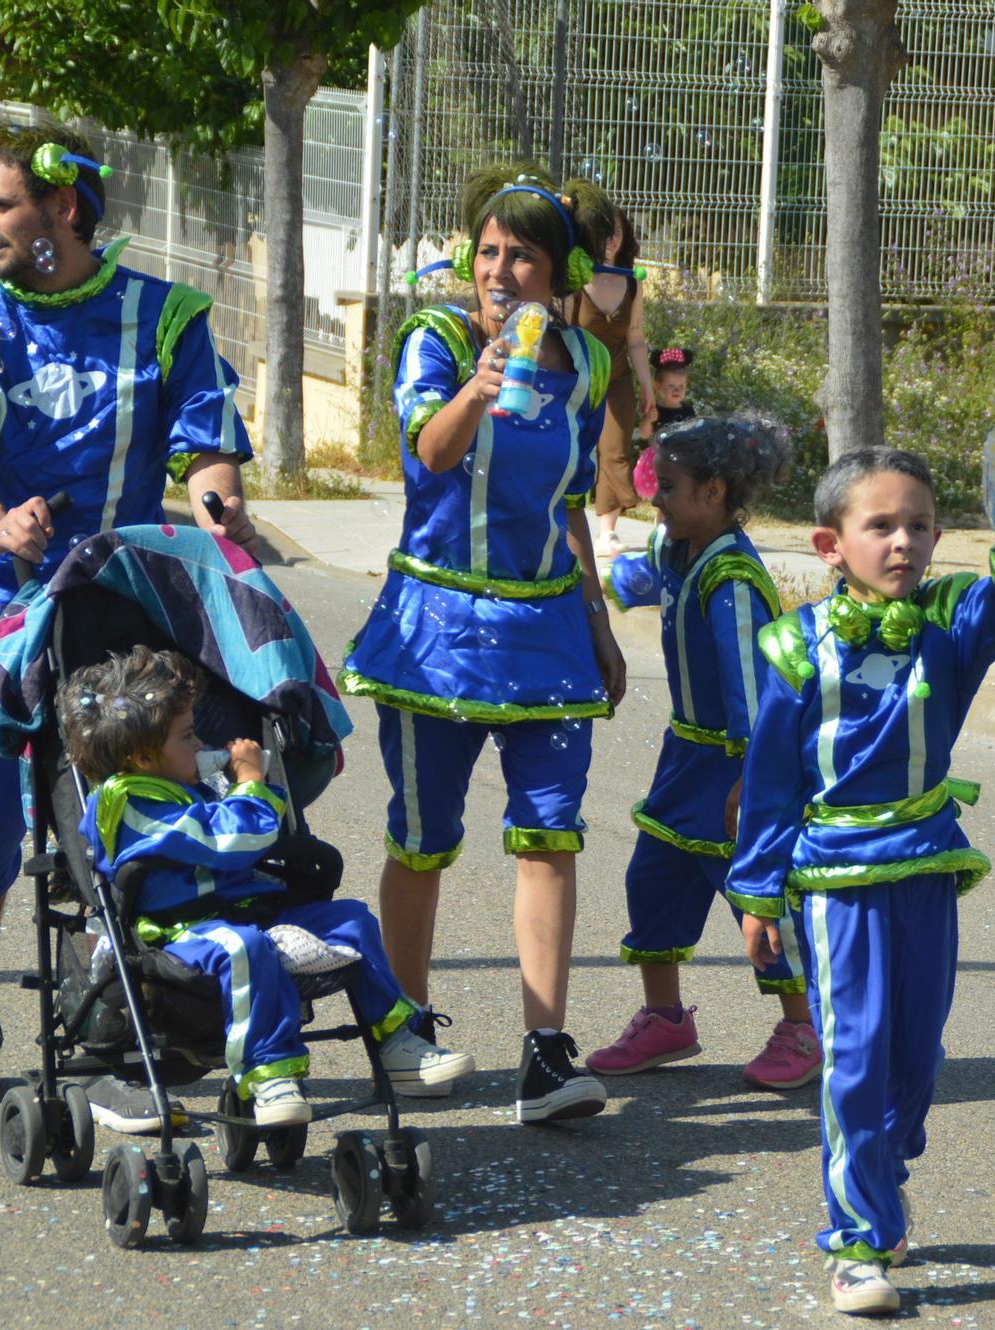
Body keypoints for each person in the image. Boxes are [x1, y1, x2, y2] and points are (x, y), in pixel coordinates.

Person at [0, 122, 258, 1123]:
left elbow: (206, 446)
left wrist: (223, 516)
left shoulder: (165, 316)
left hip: (107, 637)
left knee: (114, 838)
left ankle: (121, 1016)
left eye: (0, 205)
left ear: (64, 209)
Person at [728, 447, 995, 1316]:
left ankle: (885, 1172)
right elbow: (769, 781)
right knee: (858, 1059)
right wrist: (758, 891)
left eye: (918, 526)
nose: (903, 542)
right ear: (830, 544)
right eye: (880, 526)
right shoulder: (796, 645)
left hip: (928, 866)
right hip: (835, 878)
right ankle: (856, 1241)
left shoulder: (950, 627)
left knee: (916, 1059)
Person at [340, 163, 626, 1125]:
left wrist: (597, 620)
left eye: (524, 256)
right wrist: (482, 381)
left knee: (551, 837)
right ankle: (406, 1027)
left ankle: (545, 1053)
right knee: (424, 838)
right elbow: (428, 454)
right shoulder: (435, 340)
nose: (500, 271)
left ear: (559, 273)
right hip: (440, 633)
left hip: (547, 631)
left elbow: (573, 502)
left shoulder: (585, 367)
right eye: (489, 252)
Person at [59, 648, 469, 1124]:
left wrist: (236, 790)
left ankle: (397, 1042)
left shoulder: (183, 782)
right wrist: (250, 782)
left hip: (246, 908)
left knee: (351, 920)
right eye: (187, 736)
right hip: (181, 929)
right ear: (144, 755)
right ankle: (268, 1073)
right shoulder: (128, 802)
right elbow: (230, 839)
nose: (198, 745)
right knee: (243, 946)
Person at [586, 415, 820, 1089]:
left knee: (756, 899)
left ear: (714, 491)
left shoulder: (734, 581)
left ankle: (802, 1027)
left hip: (736, 766)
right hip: (683, 759)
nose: (655, 499)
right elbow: (636, 584)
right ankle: (666, 1020)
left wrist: (754, 779)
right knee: (651, 882)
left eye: (671, 487)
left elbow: (757, 691)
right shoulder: (679, 548)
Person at [565, 205, 654, 558]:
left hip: (616, 378)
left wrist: (647, 385)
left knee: (615, 450)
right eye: (602, 232)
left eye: (616, 231)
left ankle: (607, 531)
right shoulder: (575, 280)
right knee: (570, 449)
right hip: (577, 378)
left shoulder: (633, 281)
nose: (610, 239)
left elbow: (635, 338)